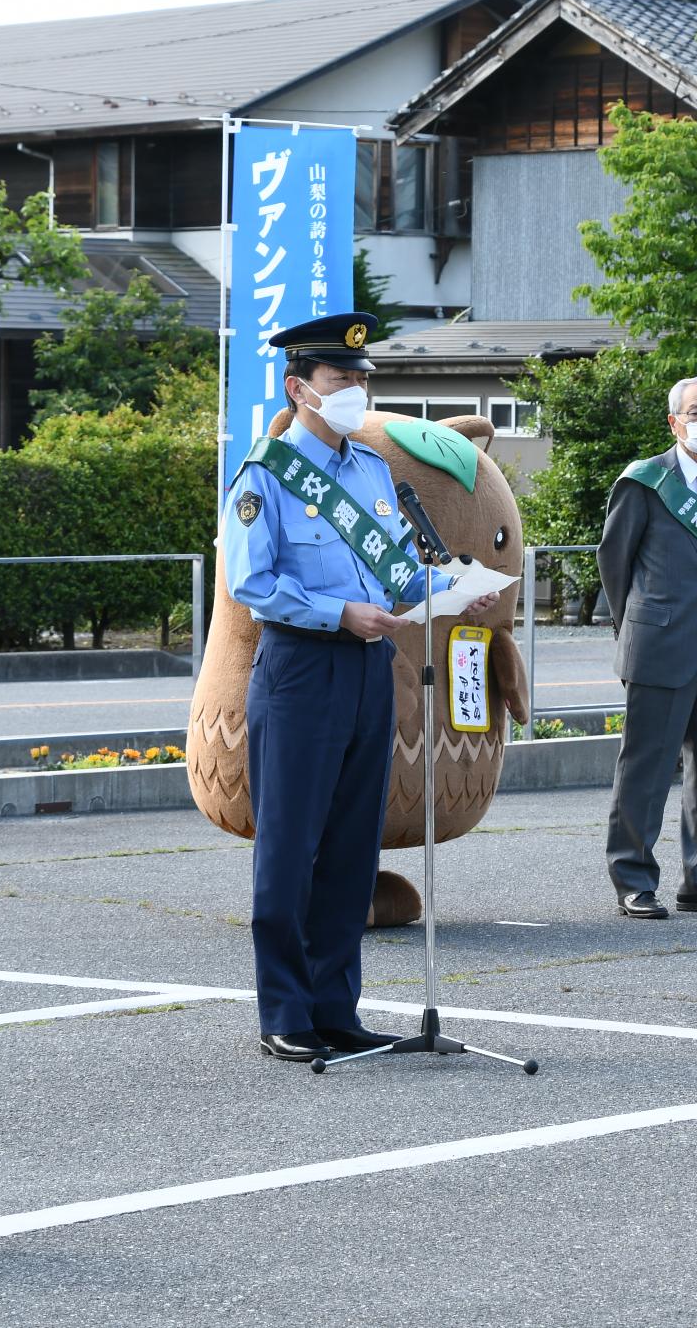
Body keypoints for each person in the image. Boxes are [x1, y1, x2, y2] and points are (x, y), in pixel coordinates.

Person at [222, 311, 498, 1063]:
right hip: (301, 668)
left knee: (350, 842)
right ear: (299, 388)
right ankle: (284, 1009)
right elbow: (252, 583)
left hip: (370, 668)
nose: (354, 389)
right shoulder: (265, 474)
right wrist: (337, 610)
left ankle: (336, 1007)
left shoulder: (373, 471)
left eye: (360, 378)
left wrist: (451, 588)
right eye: (340, 378)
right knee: (289, 844)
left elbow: (397, 573)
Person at [599, 376, 697, 919]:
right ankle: (634, 878)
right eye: (696, 412)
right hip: (658, 640)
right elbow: (614, 561)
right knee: (646, 766)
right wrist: (635, 625)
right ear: (674, 422)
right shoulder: (645, 481)